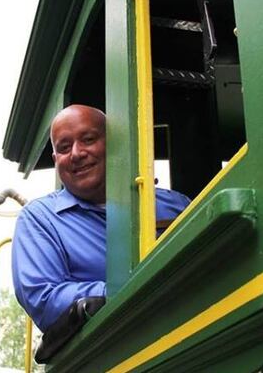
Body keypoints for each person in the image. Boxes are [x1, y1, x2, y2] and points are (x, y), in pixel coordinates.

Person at [11, 104, 190, 332]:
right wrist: (134, 289)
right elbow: (43, 299)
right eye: (64, 148)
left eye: (88, 139)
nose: (76, 153)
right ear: (56, 159)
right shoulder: (39, 219)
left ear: (112, 143)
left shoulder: (176, 205)